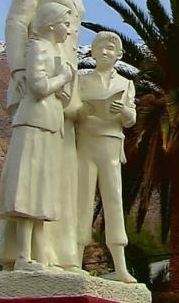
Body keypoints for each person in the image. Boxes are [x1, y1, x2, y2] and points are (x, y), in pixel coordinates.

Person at [0, 0, 87, 271]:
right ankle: (21, 253)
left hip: (64, 79)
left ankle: (57, 253)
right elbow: (18, 20)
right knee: (33, 166)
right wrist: (18, 68)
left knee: (59, 166)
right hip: (41, 72)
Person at [0, 2, 75, 271]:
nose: (68, 29)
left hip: (49, 123)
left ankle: (35, 254)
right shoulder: (38, 47)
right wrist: (63, 78)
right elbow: (39, 87)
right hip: (34, 122)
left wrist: (63, 89)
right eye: (65, 23)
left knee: (41, 187)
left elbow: (56, 94)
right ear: (51, 23)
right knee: (27, 187)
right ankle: (22, 256)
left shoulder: (55, 51)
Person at [76, 32, 137, 283]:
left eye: (110, 48)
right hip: (86, 145)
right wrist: (84, 110)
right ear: (92, 52)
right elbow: (72, 113)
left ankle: (120, 266)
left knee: (114, 202)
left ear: (118, 54)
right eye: (99, 47)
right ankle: (74, 258)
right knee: (82, 201)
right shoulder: (81, 82)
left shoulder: (126, 83)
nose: (104, 52)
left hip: (111, 146)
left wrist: (122, 110)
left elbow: (131, 119)